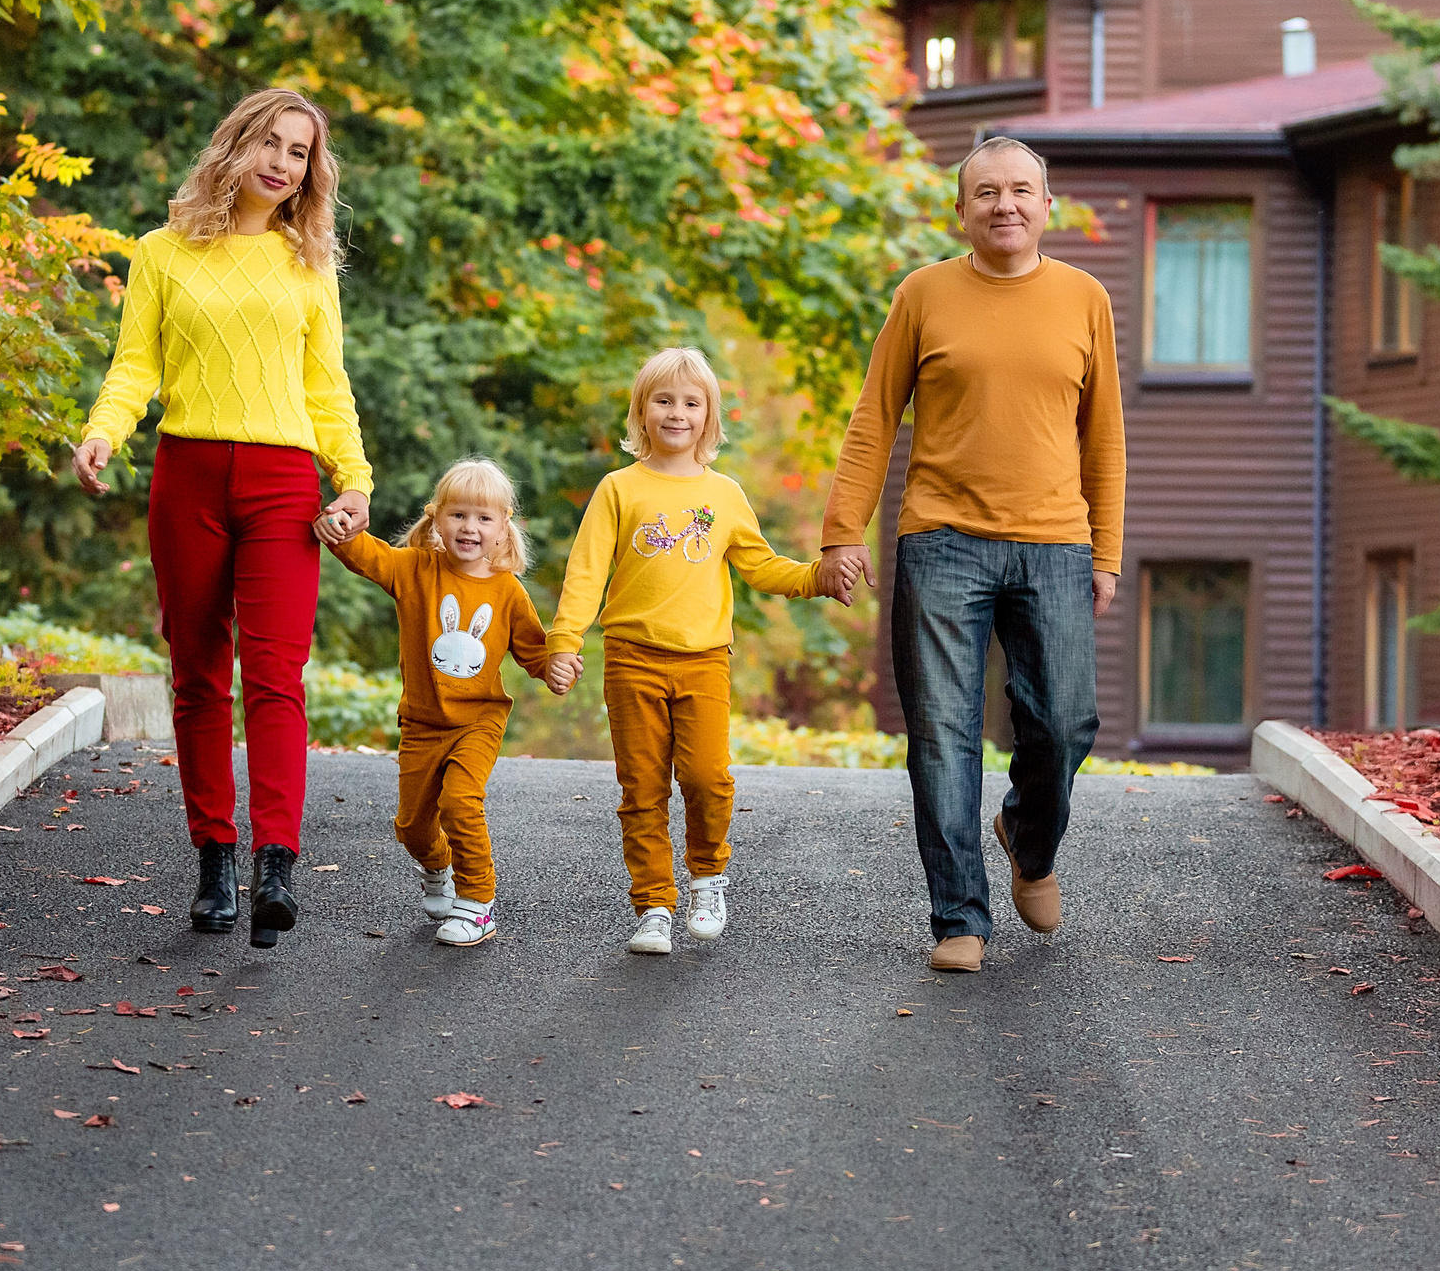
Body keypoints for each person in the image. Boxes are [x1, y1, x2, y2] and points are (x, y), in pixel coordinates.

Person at [71, 87, 373, 949]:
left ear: (312, 170)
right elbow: (137, 365)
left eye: (301, 152)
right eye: (271, 144)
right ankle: (215, 858)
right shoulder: (162, 253)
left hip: (282, 482)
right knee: (199, 672)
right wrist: (103, 432)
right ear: (237, 146)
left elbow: (326, 386)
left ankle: (276, 862)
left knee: (275, 672)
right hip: (188, 474)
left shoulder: (308, 265)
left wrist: (352, 481)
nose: (283, 163)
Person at [816, 136, 1125, 974]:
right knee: (943, 733)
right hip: (942, 539)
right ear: (963, 210)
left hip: (1055, 542)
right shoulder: (923, 295)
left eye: (1022, 190)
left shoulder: (1084, 297)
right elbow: (873, 416)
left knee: (1063, 721)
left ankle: (1028, 835)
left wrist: (1108, 548)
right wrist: (843, 528)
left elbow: (1104, 436)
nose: (1005, 205)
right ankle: (959, 917)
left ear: (1047, 205)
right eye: (986, 192)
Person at [547, 347, 848, 956]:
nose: (676, 412)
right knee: (643, 785)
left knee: (708, 778)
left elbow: (760, 566)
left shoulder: (725, 494)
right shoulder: (618, 488)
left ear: (709, 417)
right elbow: (586, 573)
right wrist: (564, 640)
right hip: (632, 657)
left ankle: (708, 878)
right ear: (642, 411)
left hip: (705, 660)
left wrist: (817, 577)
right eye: (663, 400)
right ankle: (654, 904)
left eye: (691, 402)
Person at [330, 457, 557, 947]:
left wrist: (557, 667)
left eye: (483, 518)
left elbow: (535, 652)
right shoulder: (415, 570)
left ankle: (477, 903)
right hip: (422, 723)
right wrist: (342, 528)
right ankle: (438, 866)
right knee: (411, 826)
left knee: (460, 802)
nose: (469, 527)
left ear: (503, 528)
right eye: (457, 515)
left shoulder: (507, 592)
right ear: (436, 520)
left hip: (479, 720)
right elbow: (366, 555)